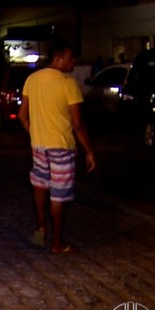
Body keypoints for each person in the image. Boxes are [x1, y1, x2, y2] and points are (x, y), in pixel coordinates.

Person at [18, 40, 96, 254]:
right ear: (59, 58)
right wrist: (89, 150)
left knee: (40, 185)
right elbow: (78, 123)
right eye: (71, 58)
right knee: (59, 195)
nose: (74, 62)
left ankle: (41, 227)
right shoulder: (68, 83)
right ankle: (57, 242)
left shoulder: (32, 79)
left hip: (39, 145)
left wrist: (34, 131)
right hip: (61, 145)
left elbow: (23, 115)